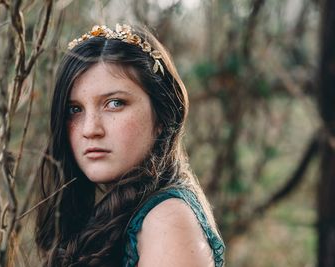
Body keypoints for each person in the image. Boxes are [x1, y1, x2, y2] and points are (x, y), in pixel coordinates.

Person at [35, 24, 225, 267]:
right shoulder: (117, 216)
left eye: (115, 103)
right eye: (75, 110)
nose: (90, 129)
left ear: (162, 116)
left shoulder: (167, 222)